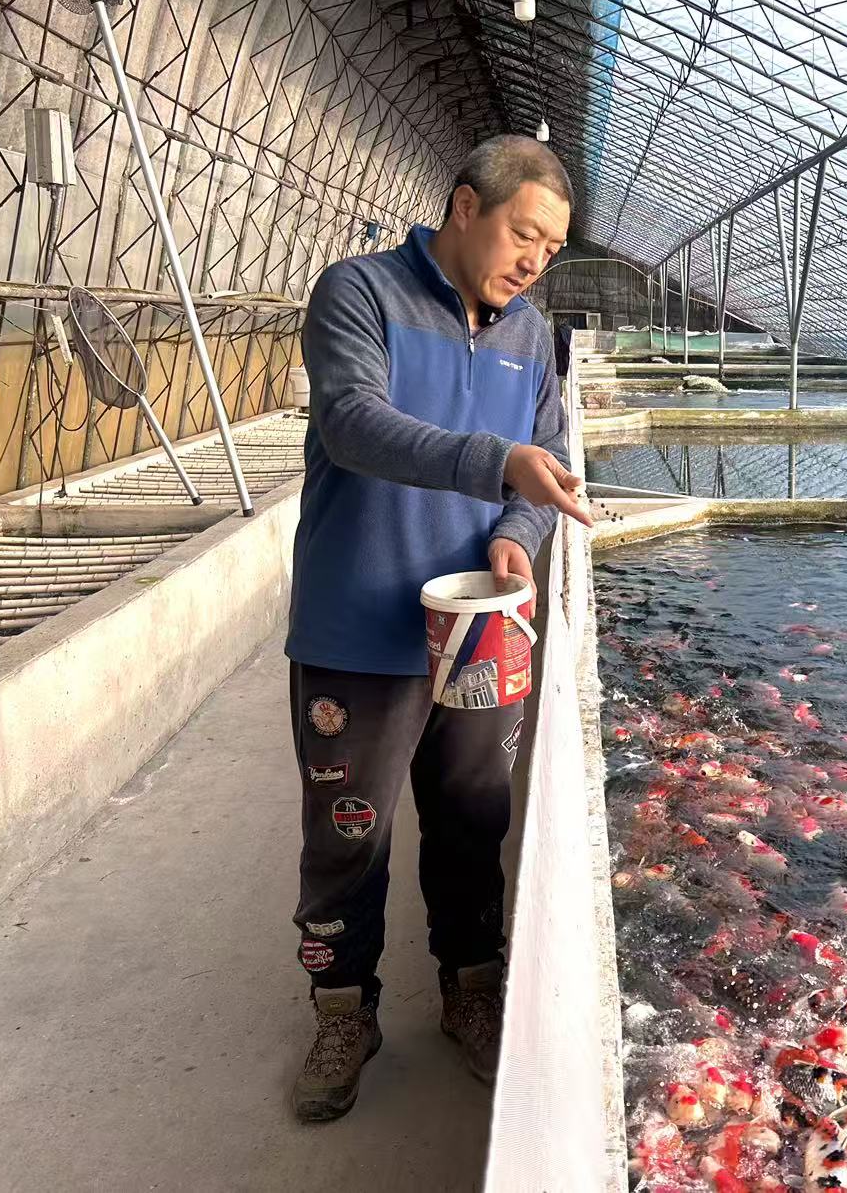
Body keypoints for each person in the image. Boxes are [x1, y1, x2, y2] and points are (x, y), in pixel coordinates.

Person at [282, 135, 590, 1122]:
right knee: (348, 831)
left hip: (477, 629)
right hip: (357, 627)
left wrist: (515, 535)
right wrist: (496, 462)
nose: (534, 260)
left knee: (472, 820)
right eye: (523, 234)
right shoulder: (360, 292)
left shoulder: (530, 334)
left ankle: (471, 989)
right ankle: (343, 1009)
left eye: (551, 248)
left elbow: (544, 470)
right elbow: (351, 423)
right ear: (465, 207)